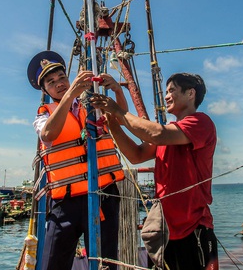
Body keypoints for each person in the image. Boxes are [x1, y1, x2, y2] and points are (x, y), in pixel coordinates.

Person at [91, 72, 218, 270]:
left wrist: (116, 110)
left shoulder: (201, 122)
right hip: (164, 231)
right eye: (166, 91)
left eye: (172, 90)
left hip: (193, 228)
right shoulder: (168, 131)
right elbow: (136, 155)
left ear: (191, 93)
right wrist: (113, 125)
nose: (166, 96)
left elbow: (157, 134)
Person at [27, 50, 128, 270]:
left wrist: (118, 91)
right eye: (51, 82)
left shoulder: (91, 105)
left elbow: (120, 117)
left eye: (62, 77)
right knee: (52, 262)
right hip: (66, 201)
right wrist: (71, 94)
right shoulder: (44, 115)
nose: (59, 84)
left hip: (104, 194)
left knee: (105, 262)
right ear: (45, 90)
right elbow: (48, 135)